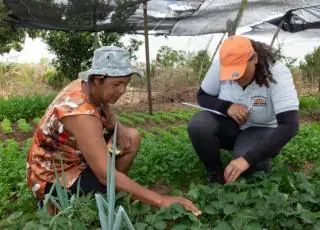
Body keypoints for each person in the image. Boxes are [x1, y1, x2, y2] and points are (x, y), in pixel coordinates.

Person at [27, 46, 201, 216]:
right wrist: (161, 200)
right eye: (117, 84)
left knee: (131, 137)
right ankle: (53, 203)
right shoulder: (80, 113)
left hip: (77, 158)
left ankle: (108, 192)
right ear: (97, 79)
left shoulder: (89, 88)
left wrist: (119, 127)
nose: (123, 90)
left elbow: (107, 112)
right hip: (53, 177)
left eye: (126, 83)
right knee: (106, 179)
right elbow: (105, 175)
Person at [188, 35, 299, 184]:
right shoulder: (220, 64)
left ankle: (257, 156)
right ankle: (214, 172)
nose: (236, 78)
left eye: (240, 71)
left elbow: (290, 125)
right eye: (231, 72)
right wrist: (227, 107)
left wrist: (248, 159)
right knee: (199, 124)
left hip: (261, 129)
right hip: (231, 126)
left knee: (250, 166)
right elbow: (203, 96)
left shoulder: (277, 73)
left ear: (254, 58)